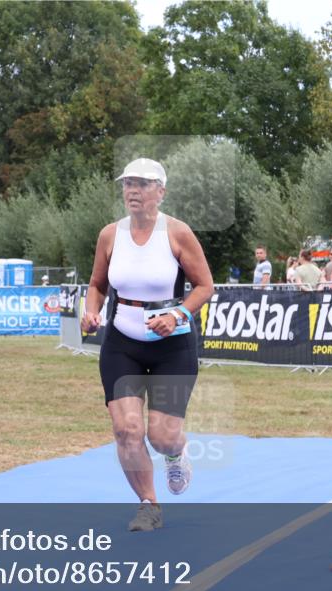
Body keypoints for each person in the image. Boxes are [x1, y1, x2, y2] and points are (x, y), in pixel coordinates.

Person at [81, 158, 214, 532]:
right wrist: (91, 311)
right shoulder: (110, 234)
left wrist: (176, 316)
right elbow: (97, 284)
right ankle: (148, 505)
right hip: (122, 343)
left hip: (171, 345)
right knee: (126, 430)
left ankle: (175, 454)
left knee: (161, 435)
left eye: (142, 184)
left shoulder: (178, 233)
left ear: (161, 191)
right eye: (127, 184)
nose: (133, 191)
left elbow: (205, 286)